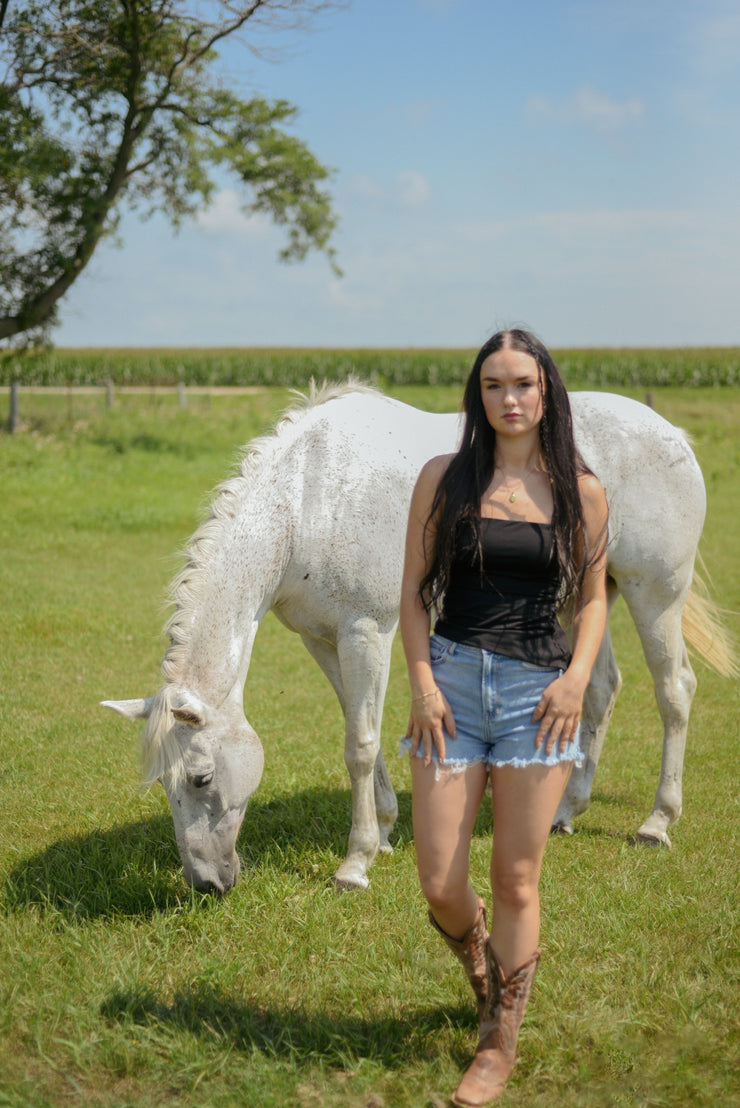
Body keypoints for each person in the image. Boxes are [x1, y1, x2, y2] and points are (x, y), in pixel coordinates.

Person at [399, 328, 609, 1107]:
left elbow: (592, 600)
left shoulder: (580, 490)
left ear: (546, 392)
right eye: (493, 385)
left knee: (517, 876)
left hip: (536, 695)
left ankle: (498, 1038)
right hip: (451, 687)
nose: (509, 398)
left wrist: (575, 680)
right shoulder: (443, 478)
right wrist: (423, 684)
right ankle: (483, 967)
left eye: (523, 383)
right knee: (439, 881)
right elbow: (413, 593)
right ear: (477, 395)